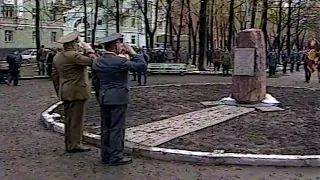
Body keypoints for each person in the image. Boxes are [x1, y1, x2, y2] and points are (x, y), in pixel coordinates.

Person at [92, 33, 147, 166]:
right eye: (119, 43)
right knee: (117, 128)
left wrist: (100, 95)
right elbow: (141, 66)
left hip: (104, 97)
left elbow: (95, 82)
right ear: (116, 45)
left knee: (106, 128)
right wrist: (133, 52)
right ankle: (116, 157)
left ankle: (105, 155)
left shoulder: (98, 61)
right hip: (118, 98)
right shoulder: (119, 62)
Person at [52, 31, 98, 153]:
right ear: (72, 44)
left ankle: (69, 143)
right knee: (77, 120)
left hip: (65, 91)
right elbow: (94, 62)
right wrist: (90, 50)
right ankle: (75, 145)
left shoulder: (58, 57)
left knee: (69, 120)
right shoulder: (74, 56)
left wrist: (59, 91)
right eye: (77, 42)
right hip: (77, 91)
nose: (79, 45)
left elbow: (55, 77)